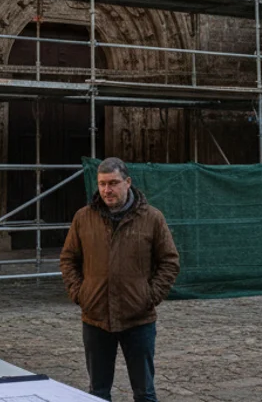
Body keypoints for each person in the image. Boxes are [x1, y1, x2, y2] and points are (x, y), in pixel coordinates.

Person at [59, 157, 181, 402]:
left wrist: (149, 296)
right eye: (102, 184)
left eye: (113, 183)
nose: (107, 190)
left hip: (138, 318)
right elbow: (68, 258)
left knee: (145, 392)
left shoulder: (152, 218)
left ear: (127, 182)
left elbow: (169, 261)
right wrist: (80, 293)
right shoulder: (84, 218)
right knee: (98, 392)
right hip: (96, 317)